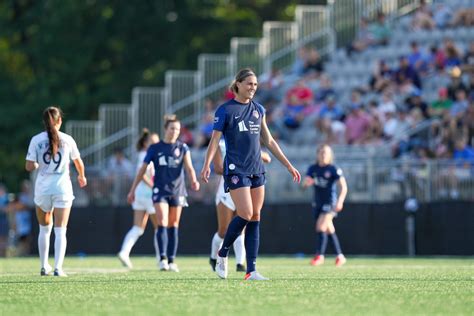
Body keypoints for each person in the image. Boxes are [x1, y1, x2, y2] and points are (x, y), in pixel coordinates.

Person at [200, 68, 301, 281]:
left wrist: (288, 165)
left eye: (255, 84)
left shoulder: (259, 109)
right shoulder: (225, 110)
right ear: (238, 84)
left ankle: (251, 270)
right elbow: (215, 140)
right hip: (236, 169)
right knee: (245, 214)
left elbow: (269, 141)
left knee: (255, 216)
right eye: (249, 84)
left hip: (257, 168)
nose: (253, 88)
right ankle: (223, 253)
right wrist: (207, 164)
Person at [127, 115, 200, 272]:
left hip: (178, 190)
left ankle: (172, 260)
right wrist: (132, 190)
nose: (175, 132)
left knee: (174, 225)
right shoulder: (155, 148)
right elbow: (142, 170)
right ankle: (162, 259)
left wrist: (194, 180)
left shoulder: (183, 147)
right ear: (165, 129)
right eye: (172, 128)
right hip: (160, 190)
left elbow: (189, 167)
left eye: (178, 129)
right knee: (163, 221)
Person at [25, 106, 87, 276]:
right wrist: (82, 176)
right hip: (62, 188)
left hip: (43, 189)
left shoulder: (36, 140)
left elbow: (29, 166)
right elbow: (78, 162)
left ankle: (44, 266)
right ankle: (58, 268)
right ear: (60, 120)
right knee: (61, 230)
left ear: (44, 122)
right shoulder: (67, 139)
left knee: (44, 229)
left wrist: (37, 164)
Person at [209, 139, 271, 272]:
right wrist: (238, 164)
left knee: (244, 221)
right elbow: (219, 168)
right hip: (228, 187)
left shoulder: (246, 138)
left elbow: (266, 157)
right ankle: (214, 257)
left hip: (246, 184)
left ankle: (240, 263)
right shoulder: (220, 143)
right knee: (223, 230)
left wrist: (256, 156)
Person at [118, 128, 160, 269]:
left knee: (138, 228)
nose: (156, 144)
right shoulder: (145, 155)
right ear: (145, 143)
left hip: (139, 194)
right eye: (153, 142)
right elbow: (142, 174)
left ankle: (124, 252)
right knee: (159, 227)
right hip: (148, 194)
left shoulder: (145, 154)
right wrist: (154, 186)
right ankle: (162, 258)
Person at [302, 144, 348, 267]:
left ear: (330, 155)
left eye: (326, 153)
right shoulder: (312, 168)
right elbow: (304, 185)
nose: (323, 155)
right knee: (329, 229)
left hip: (330, 203)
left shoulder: (333, 169)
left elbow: (343, 186)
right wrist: (307, 183)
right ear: (317, 154)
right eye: (321, 152)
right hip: (318, 203)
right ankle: (340, 256)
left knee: (320, 227)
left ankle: (319, 256)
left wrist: (340, 201)